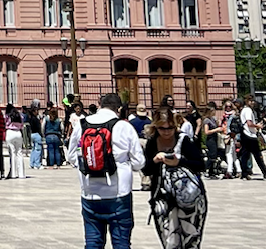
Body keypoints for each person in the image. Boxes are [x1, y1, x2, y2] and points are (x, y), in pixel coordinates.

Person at [66, 92, 145, 249]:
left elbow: (71, 156)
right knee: (121, 243)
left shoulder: (82, 124)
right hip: (118, 193)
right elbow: (139, 163)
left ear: (100, 105)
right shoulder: (123, 126)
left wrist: (87, 165)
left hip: (89, 192)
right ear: (119, 108)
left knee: (93, 242)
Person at [143, 107, 206, 249]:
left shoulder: (184, 140)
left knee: (191, 242)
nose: (166, 132)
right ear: (156, 127)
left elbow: (200, 165)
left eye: (170, 128)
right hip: (163, 198)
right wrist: (155, 161)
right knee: (169, 242)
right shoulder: (152, 142)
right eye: (162, 128)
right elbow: (146, 170)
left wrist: (180, 161)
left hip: (190, 198)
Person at [238, 94, 266, 181]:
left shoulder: (244, 110)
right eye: (250, 101)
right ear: (247, 101)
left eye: (253, 101)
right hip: (250, 135)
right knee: (258, 155)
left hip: (246, 134)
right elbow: (249, 123)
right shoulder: (247, 110)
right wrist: (257, 126)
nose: (253, 102)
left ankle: (244, 174)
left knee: (245, 155)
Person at [200, 102, 225, 180]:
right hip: (210, 139)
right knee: (212, 155)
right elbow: (206, 132)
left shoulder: (213, 119)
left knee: (215, 155)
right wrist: (216, 130)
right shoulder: (206, 120)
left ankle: (211, 172)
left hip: (215, 138)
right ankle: (205, 169)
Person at [5, 103, 25, 179]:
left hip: (10, 132)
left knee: (12, 153)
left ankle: (13, 173)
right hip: (18, 133)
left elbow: (5, 124)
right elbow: (22, 125)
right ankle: (21, 174)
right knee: (19, 153)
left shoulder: (7, 116)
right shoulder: (20, 116)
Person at [221, 101, 240, 179]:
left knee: (228, 154)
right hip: (231, 135)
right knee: (234, 155)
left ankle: (229, 171)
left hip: (230, 136)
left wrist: (228, 135)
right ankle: (239, 170)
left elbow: (230, 127)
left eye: (229, 106)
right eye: (226, 106)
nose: (228, 108)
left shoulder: (232, 115)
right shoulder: (225, 115)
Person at [27, 102, 44, 170]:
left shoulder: (30, 118)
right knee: (38, 149)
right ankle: (37, 164)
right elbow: (39, 128)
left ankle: (32, 163)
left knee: (33, 149)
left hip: (32, 134)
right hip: (37, 134)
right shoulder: (36, 119)